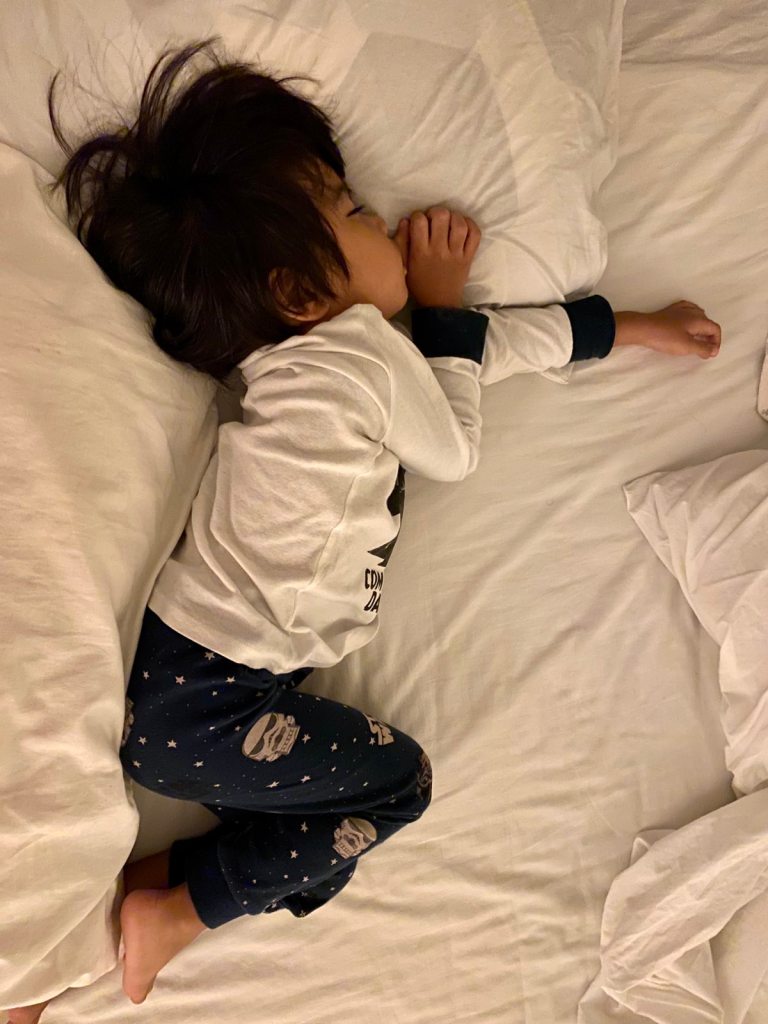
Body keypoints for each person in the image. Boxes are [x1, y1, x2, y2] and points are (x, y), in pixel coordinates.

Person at [13, 35, 720, 1024]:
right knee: (396, 786)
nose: (383, 216)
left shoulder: (312, 362)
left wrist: (631, 325)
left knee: (359, 806)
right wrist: (441, 302)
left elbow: (474, 353)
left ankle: (134, 908)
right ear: (300, 292)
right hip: (212, 698)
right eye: (353, 212)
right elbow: (456, 435)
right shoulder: (352, 362)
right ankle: (170, 916)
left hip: (198, 693)